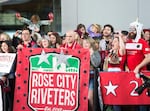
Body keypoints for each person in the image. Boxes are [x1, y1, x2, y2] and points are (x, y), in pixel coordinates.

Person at [126, 19, 150, 111]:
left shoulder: (142, 42)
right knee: (132, 101)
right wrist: (126, 67)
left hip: (141, 75)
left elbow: (148, 57)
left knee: (142, 100)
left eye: (133, 30)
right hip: (129, 75)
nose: (131, 31)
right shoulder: (128, 42)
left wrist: (138, 67)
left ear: (138, 30)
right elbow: (126, 57)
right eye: (130, 29)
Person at [82, 37, 101, 111]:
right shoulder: (80, 52)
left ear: (90, 44)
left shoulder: (95, 52)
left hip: (91, 76)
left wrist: (91, 54)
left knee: (90, 98)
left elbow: (96, 64)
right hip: (82, 77)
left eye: (87, 43)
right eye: (84, 43)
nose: (85, 44)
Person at [0, 40, 16, 111]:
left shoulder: (14, 55)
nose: (3, 47)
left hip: (10, 78)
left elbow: (12, 67)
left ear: (9, 46)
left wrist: (5, 75)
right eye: (2, 46)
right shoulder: (1, 55)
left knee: (9, 98)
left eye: (5, 46)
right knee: (3, 98)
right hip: (2, 79)